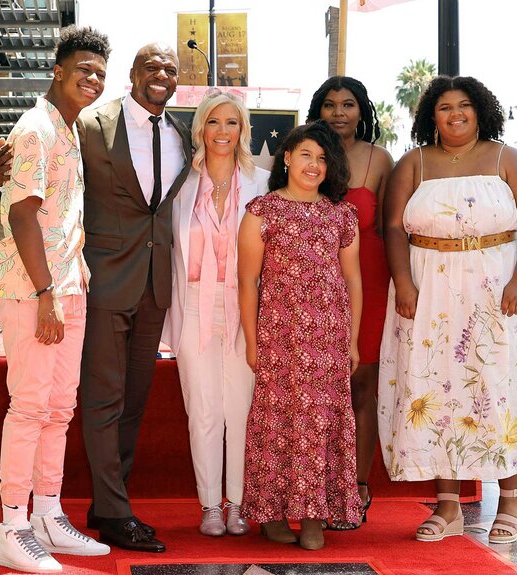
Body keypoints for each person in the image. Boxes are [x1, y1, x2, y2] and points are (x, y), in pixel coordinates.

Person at [0, 42, 191, 553]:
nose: (161, 75)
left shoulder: (183, 133)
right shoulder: (86, 122)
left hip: (151, 283)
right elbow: (24, 185)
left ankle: (93, 506)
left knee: (125, 400)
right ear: (132, 74)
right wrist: (1, 175)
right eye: (151, 66)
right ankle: (100, 512)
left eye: (170, 69)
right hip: (92, 280)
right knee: (91, 399)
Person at [378, 76, 517, 545]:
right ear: (430, 116)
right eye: (444, 107)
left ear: (480, 111)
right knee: (436, 389)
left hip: (498, 291)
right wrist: (404, 282)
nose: (455, 114)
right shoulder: (413, 164)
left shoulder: (505, 158)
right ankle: (449, 506)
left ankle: (511, 496)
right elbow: (393, 229)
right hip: (429, 291)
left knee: (496, 387)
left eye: (465, 106)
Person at [0, 26, 111, 572]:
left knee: (60, 408)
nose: (93, 79)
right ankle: (13, 526)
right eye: (84, 68)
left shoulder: (67, 128)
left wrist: (61, 290)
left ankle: (47, 513)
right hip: (32, 287)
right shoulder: (36, 126)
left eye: (100, 74)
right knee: (31, 405)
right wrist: (44, 294)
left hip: (67, 284)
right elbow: (21, 214)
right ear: (57, 69)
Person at [237, 120, 363, 551]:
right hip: (280, 337)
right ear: (287, 157)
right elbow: (248, 281)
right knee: (277, 425)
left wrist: (352, 341)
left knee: (322, 424)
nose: (314, 165)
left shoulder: (341, 214)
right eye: (306, 154)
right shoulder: (261, 211)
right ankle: (272, 515)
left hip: (328, 339)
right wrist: (253, 343)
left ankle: (313, 516)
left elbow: (353, 281)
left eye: (323, 158)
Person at [161, 91, 269, 537]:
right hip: (192, 308)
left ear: (242, 129)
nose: (222, 132)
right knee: (202, 410)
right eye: (213, 122)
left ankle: (239, 504)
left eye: (232, 122)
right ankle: (210, 505)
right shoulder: (179, 183)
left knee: (240, 409)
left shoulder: (262, 183)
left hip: (246, 309)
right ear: (200, 128)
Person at [306, 76, 393, 529]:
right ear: (317, 110)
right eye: (330, 104)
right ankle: (312, 486)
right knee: (315, 392)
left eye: (349, 104)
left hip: (370, 282)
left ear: (363, 111)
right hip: (308, 288)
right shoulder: (303, 153)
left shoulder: (380, 160)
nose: (339, 112)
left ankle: (356, 486)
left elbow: (395, 227)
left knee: (362, 387)